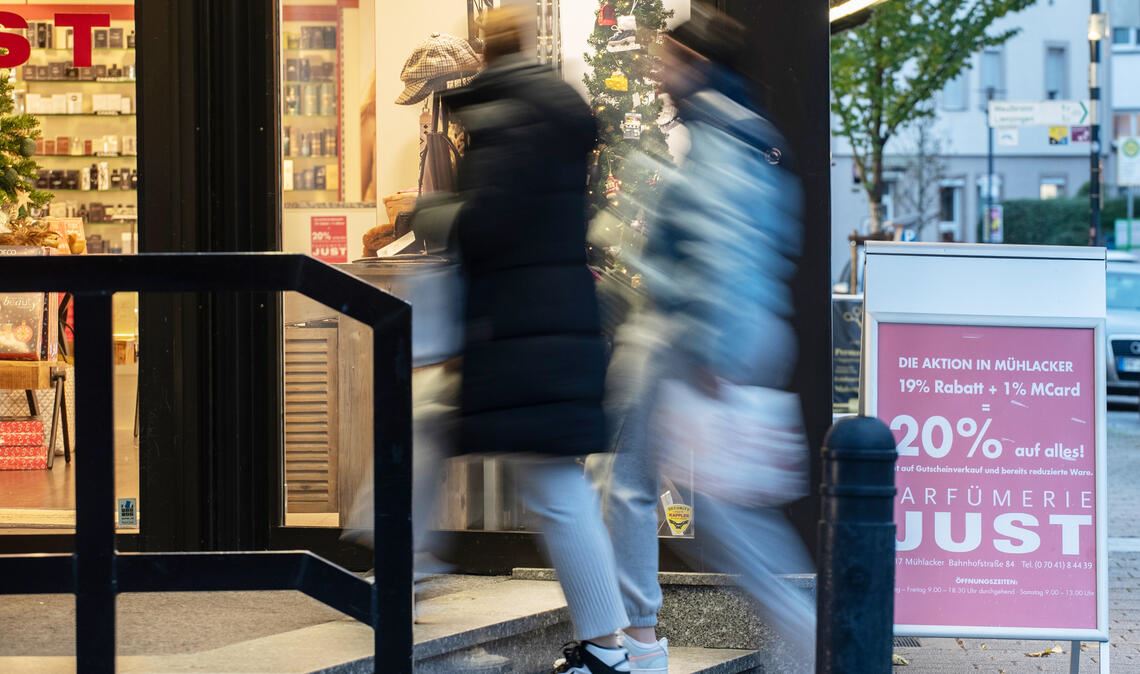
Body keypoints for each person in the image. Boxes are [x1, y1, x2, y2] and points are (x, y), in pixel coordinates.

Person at [586, 7, 816, 673]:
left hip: (687, 335)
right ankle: (808, 637)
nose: (657, 71)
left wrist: (706, 342)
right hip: (728, 331)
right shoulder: (753, 134)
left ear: (699, 66)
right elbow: (780, 239)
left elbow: (720, 242)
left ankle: (642, 639)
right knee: (716, 508)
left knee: (635, 483)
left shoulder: (716, 134)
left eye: (669, 59)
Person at [445, 8, 635, 674]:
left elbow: (487, 222)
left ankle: (610, 650)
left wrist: (437, 216)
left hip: (521, 328)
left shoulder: (508, 117)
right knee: (552, 483)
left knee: (556, 487)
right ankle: (609, 646)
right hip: (544, 326)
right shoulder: (551, 110)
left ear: (481, 51)